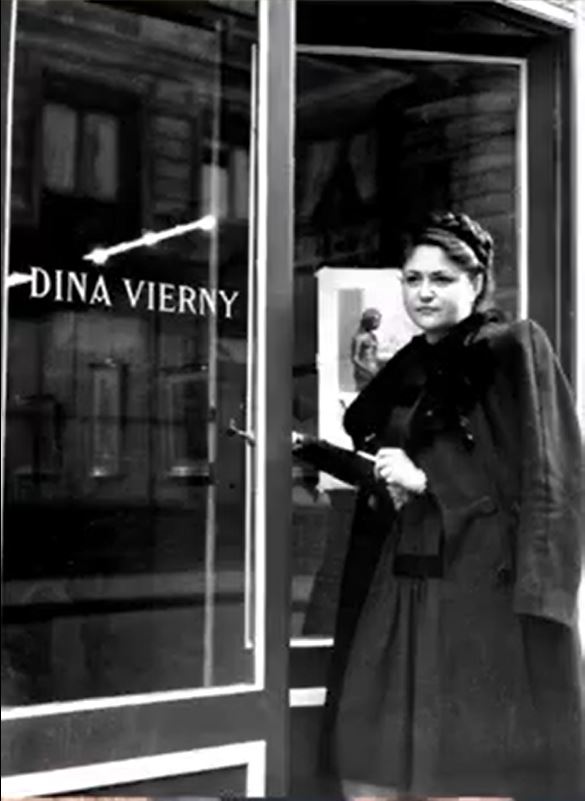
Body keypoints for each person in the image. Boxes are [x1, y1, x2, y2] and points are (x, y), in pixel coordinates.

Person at [294, 211, 584, 800]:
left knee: (465, 770)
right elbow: (391, 475)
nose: (423, 292)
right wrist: (305, 449)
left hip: (477, 591)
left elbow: (553, 475)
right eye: (413, 278)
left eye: (442, 279)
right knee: (368, 762)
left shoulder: (512, 347)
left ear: (476, 283)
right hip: (400, 582)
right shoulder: (411, 367)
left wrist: (542, 606)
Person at [351, 307, 382, 390]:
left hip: (374, 370)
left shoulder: (373, 337)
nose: (378, 324)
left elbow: (375, 356)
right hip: (363, 373)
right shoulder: (358, 338)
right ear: (368, 321)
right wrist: (368, 371)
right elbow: (354, 359)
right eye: (376, 321)